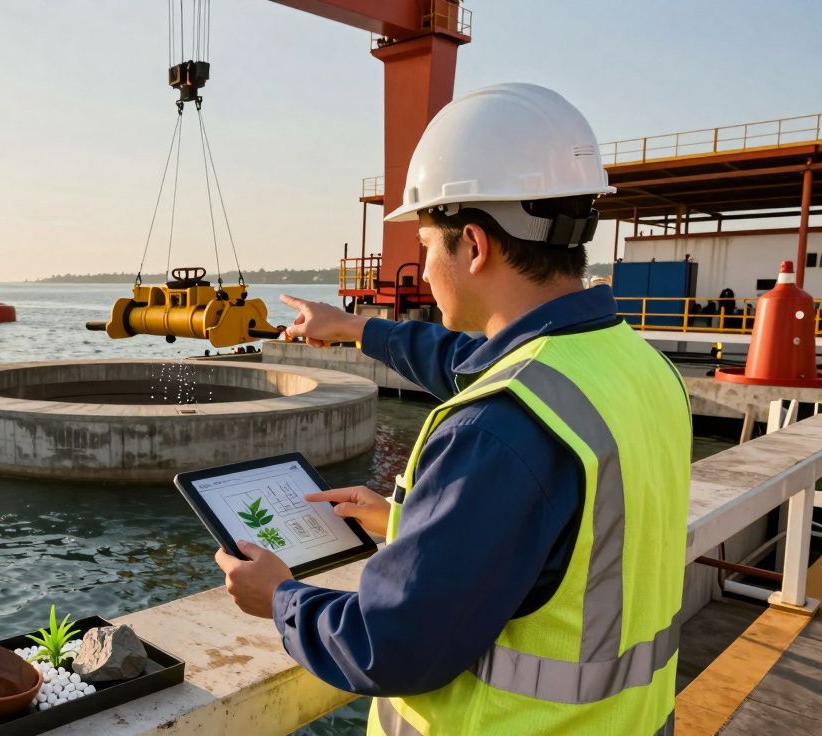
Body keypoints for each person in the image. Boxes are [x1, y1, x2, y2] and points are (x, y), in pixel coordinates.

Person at [213, 83, 690, 735]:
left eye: (427, 247)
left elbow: (394, 645)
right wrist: (357, 332)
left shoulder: (496, 431)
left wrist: (280, 599)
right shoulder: (640, 368)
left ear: (473, 244)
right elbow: (570, 542)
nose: (424, 268)